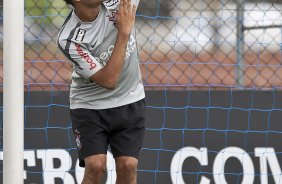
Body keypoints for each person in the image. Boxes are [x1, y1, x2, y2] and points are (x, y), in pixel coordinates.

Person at [57, 0, 146, 183]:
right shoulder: (69, 38)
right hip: (89, 106)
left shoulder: (118, 2)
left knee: (128, 166)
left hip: (130, 99)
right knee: (96, 167)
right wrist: (123, 32)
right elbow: (109, 80)